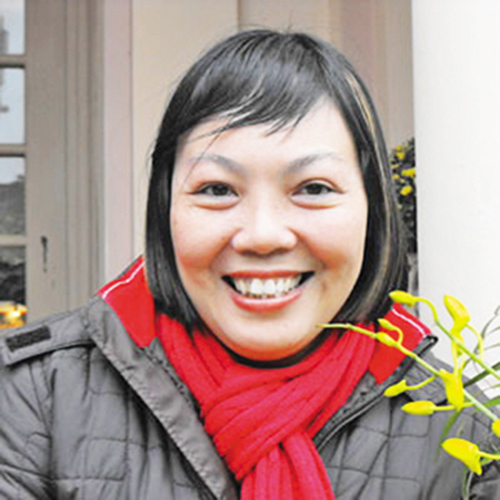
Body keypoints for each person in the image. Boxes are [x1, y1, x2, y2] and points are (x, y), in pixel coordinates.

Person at [0, 29, 498, 500]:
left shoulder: (464, 434)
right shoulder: (32, 399)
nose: (262, 235)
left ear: (373, 209)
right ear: (164, 209)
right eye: (217, 190)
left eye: (313, 188)